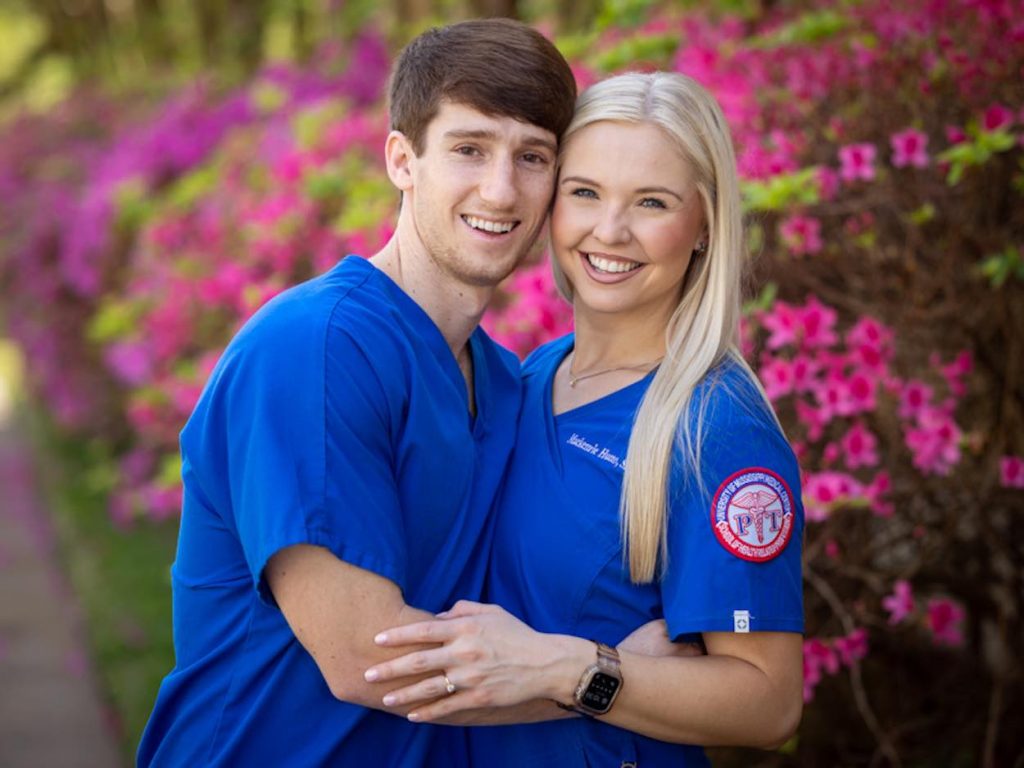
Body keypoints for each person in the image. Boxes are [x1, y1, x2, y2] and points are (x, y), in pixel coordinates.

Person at [136, 19, 577, 767]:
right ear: (403, 160)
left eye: (531, 157)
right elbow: (373, 662)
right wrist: (606, 678)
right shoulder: (314, 347)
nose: (502, 190)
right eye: (470, 148)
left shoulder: (504, 382)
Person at [365, 71, 806, 766]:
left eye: (652, 202)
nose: (610, 231)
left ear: (703, 228)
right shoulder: (530, 375)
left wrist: (571, 669)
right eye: (585, 193)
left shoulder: (714, 429)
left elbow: (770, 703)